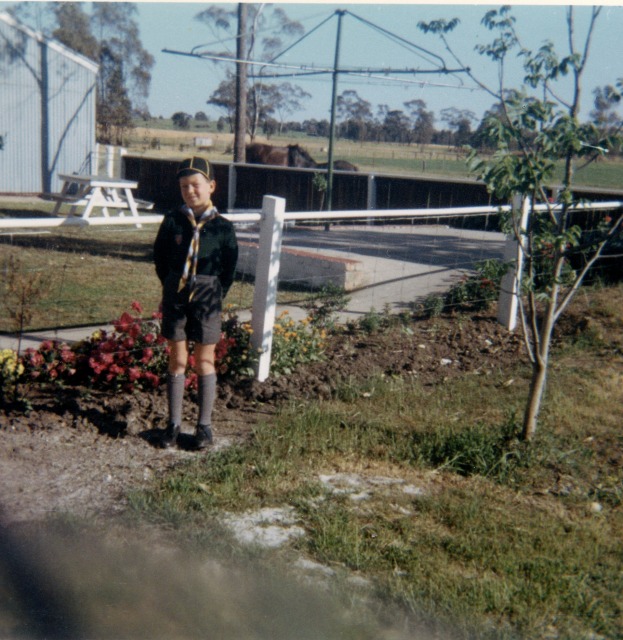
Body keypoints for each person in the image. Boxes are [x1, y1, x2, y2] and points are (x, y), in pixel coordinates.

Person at [153, 156, 238, 449]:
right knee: (177, 359)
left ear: (211, 186)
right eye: (184, 186)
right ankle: (173, 425)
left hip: (208, 297)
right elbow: (160, 260)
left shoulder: (223, 227)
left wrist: (212, 291)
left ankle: (204, 427)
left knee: (204, 360)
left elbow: (228, 269)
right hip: (176, 293)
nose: (190, 191)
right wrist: (172, 284)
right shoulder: (173, 221)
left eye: (196, 185)